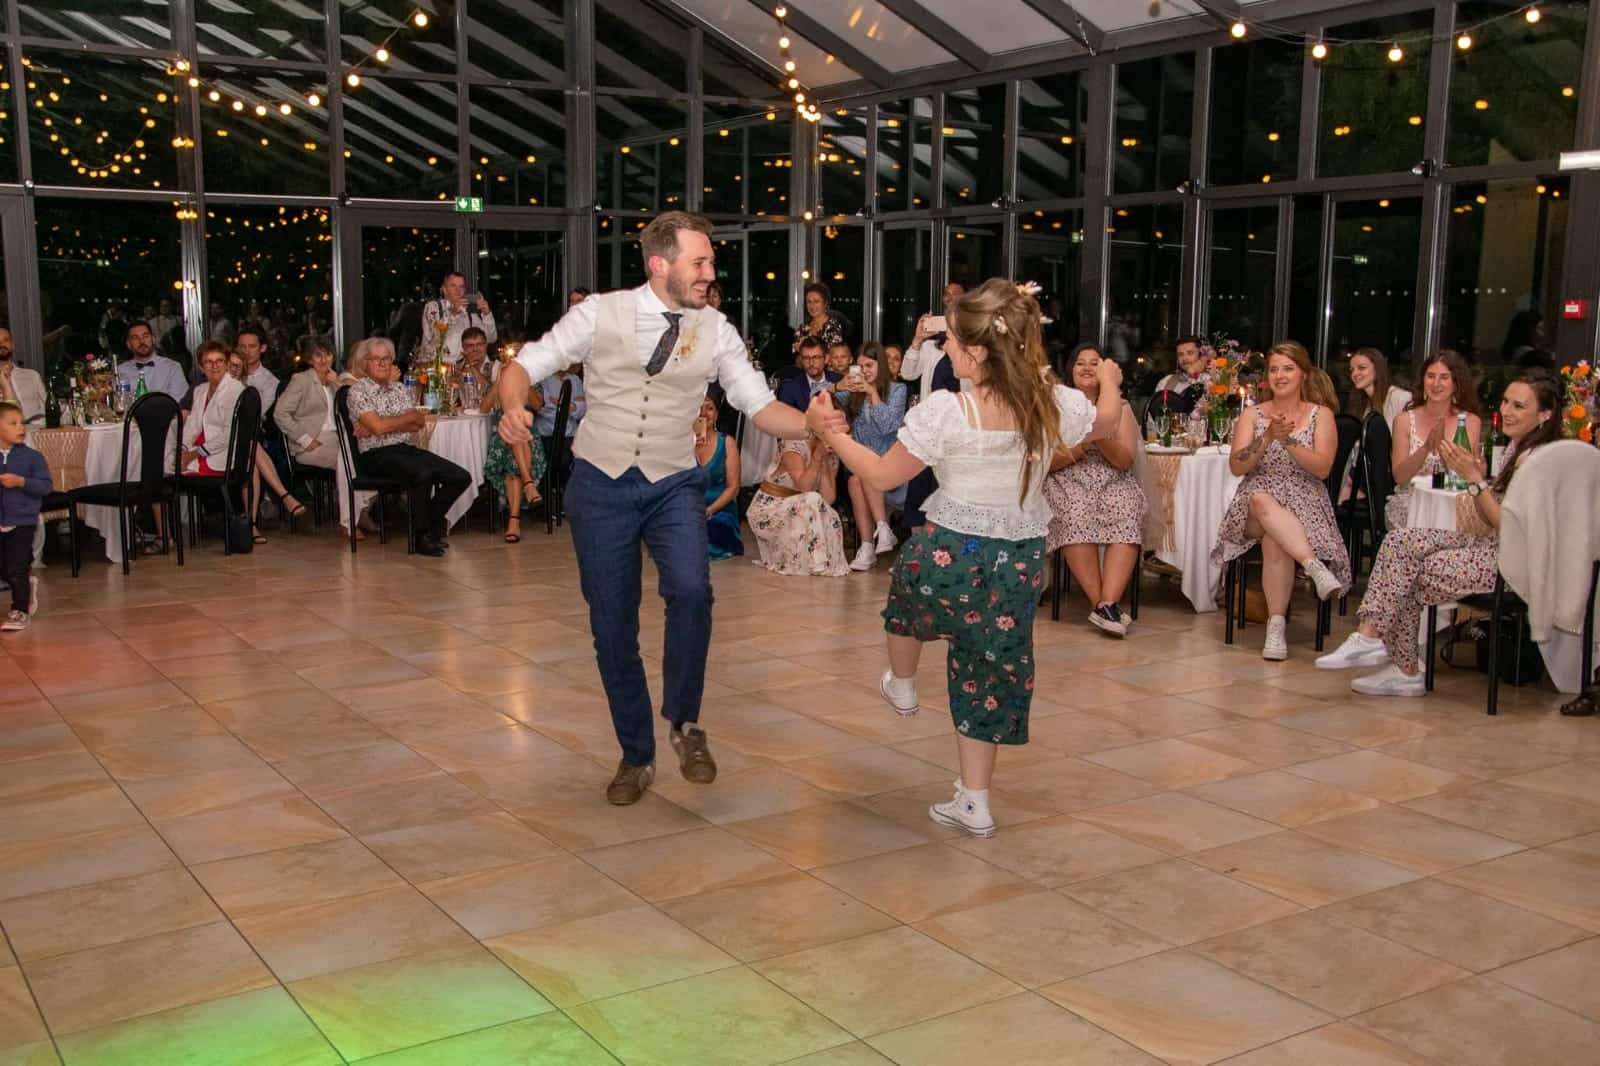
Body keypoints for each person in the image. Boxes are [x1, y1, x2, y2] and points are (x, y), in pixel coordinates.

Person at [498, 210, 817, 806]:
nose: (709, 272)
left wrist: (812, 424)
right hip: (601, 483)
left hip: (673, 481)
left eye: (710, 263)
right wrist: (515, 407)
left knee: (693, 591)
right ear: (660, 264)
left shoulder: (716, 328)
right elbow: (522, 366)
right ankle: (635, 755)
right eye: (700, 262)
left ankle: (685, 723)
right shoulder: (599, 312)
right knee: (612, 625)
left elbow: (757, 403)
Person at [818, 279, 1123, 837]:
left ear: (979, 352)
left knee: (906, 604)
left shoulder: (947, 411)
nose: (947, 350)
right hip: (1019, 563)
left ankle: (904, 683)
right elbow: (1104, 422)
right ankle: (976, 801)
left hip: (949, 552)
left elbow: (883, 475)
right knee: (987, 670)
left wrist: (832, 434)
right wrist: (1110, 380)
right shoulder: (1048, 403)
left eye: (954, 342)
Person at [1316, 372, 1562, 696]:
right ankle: (1370, 633)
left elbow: (1510, 527)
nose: (1508, 411)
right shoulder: (1516, 447)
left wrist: (1474, 479)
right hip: (1488, 541)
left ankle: (1404, 668)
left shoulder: (1539, 461)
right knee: (1399, 541)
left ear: (1544, 414)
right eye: (1505, 402)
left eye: (1519, 405)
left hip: (1510, 560)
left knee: (1413, 570)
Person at [1213, 341, 1350, 661]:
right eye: (1274, 369)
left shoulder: (1322, 415)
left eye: (1288, 369)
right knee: (1261, 500)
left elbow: (1322, 468)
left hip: (1304, 499)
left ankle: (1275, 627)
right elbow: (1237, 466)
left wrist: (1288, 440)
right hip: (1254, 500)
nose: (1280, 375)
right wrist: (1268, 437)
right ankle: (1312, 566)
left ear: (1303, 374)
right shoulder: (1253, 414)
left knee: (1276, 536)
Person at [1043, 344, 1149, 636]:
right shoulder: (1054, 406)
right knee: (1075, 511)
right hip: (1066, 476)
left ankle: (1107, 604)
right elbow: (1049, 462)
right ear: (1071, 370)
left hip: (1111, 476)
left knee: (1127, 506)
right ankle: (1104, 607)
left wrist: (1099, 433)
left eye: (1094, 363)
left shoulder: (1122, 408)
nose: (1087, 368)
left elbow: (1125, 460)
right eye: (1080, 363)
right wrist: (1086, 442)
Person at [350, 338, 471, 557]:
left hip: (405, 449)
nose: (382, 364)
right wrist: (395, 420)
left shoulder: (399, 388)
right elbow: (378, 427)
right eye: (376, 359)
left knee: (460, 476)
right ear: (365, 363)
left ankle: (429, 524)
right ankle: (421, 536)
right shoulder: (357, 391)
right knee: (422, 474)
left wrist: (385, 422)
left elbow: (419, 421)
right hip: (375, 455)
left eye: (386, 359)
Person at [1387, 350, 1482, 531]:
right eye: (1430, 376)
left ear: (1456, 384)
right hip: (1413, 503)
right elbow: (1399, 477)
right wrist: (1425, 449)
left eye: (1444, 377)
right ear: (1423, 381)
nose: (1436, 383)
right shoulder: (1404, 420)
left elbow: (1466, 475)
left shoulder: (1469, 421)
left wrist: (1449, 454)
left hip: (1453, 503)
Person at [841, 343, 908, 570]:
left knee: (863, 474)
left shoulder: (897, 390)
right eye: (859, 366)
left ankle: (873, 540)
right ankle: (875, 538)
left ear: (880, 364)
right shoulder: (854, 391)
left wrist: (873, 394)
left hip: (892, 466)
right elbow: (817, 395)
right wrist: (840, 384)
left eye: (869, 365)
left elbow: (888, 426)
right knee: (855, 478)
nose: (864, 371)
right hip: (865, 466)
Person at [748, 430, 848, 576]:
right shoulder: (793, 444)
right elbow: (804, 486)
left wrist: (824, 461)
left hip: (801, 508)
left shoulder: (831, 455)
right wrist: (816, 457)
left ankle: (825, 563)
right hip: (770, 509)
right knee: (811, 499)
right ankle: (818, 563)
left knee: (831, 513)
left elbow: (828, 498)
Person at [481, 327, 546, 545]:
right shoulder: (499, 374)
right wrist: (502, 380)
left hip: (527, 432)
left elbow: (538, 405)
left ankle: (513, 521)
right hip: (503, 432)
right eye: (510, 352)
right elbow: (484, 407)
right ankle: (528, 485)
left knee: (516, 435)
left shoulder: (532, 375)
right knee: (512, 436)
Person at [0, 402, 49, 632]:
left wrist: (21, 482)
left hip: (22, 521)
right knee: (5, 567)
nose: (21, 428)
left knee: (16, 567)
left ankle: (20, 609)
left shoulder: (32, 458)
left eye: (22, 423)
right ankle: (26, 586)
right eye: (13, 423)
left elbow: (45, 487)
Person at [275, 336, 340, 470]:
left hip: (338, 438)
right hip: (311, 444)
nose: (324, 360)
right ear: (310, 359)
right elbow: (280, 413)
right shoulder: (301, 380)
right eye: (318, 356)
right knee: (348, 463)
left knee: (363, 458)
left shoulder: (335, 380)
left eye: (328, 354)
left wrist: (338, 384)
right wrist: (304, 439)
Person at [181, 342, 244, 478]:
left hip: (221, 457)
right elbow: (191, 427)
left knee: (171, 474)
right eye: (208, 362)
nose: (215, 366)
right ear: (201, 368)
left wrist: (193, 454)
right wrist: (183, 449)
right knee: (163, 464)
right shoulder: (199, 390)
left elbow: (229, 434)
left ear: (227, 364)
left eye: (219, 361)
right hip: (196, 451)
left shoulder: (236, 390)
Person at [696, 389, 742, 560]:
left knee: (709, 533)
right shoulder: (683, 442)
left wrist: (709, 510)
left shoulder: (727, 442)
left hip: (718, 508)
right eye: (699, 408)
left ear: (716, 414)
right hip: (689, 506)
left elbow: (733, 488)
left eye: (709, 408)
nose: (703, 414)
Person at [900, 282, 966, 399]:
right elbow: (907, 374)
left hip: (962, 413)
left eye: (955, 293)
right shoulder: (932, 341)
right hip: (932, 413)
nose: (950, 297)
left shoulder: (973, 339)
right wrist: (917, 340)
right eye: (946, 294)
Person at [422, 271, 497, 363]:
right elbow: (435, 337)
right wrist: (452, 314)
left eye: (461, 287)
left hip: (459, 370)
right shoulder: (433, 307)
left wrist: (487, 314)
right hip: (434, 367)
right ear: (444, 289)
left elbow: (490, 338)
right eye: (453, 286)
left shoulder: (469, 313)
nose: (458, 291)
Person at [536, 364, 586, 483]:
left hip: (570, 437)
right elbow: (543, 408)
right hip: (547, 437)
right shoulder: (543, 380)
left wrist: (561, 404)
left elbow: (583, 408)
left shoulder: (575, 380)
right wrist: (571, 406)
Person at [116, 321, 188, 400]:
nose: (141, 341)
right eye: (135, 338)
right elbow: (119, 403)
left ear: (153, 339)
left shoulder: (173, 368)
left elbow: (180, 402)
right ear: (128, 344)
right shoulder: (120, 371)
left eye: (145, 336)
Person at [777, 335, 841, 411]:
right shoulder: (790, 388)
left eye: (816, 357)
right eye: (806, 358)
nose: (811, 363)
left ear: (826, 359)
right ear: (801, 360)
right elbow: (785, 419)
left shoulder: (839, 380)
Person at [0, 328, 45, 428]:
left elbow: (47, 408)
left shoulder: (32, 376)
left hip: (37, 435)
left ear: (13, 345)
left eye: (6, 340)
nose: (1, 344)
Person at [792, 281, 847, 353]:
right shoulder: (802, 328)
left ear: (825, 303)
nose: (812, 306)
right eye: (809, 301)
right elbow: (795, 355)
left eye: (816, 301)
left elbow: (834, 357)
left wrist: (803, 350)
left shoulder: (833, 327)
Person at [236, 327, 279, 415]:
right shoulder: (228, 375)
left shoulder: (270, 382)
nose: (246, 351)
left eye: (252, 346)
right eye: (242, 346)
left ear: (262, 348)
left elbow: (255, 416)